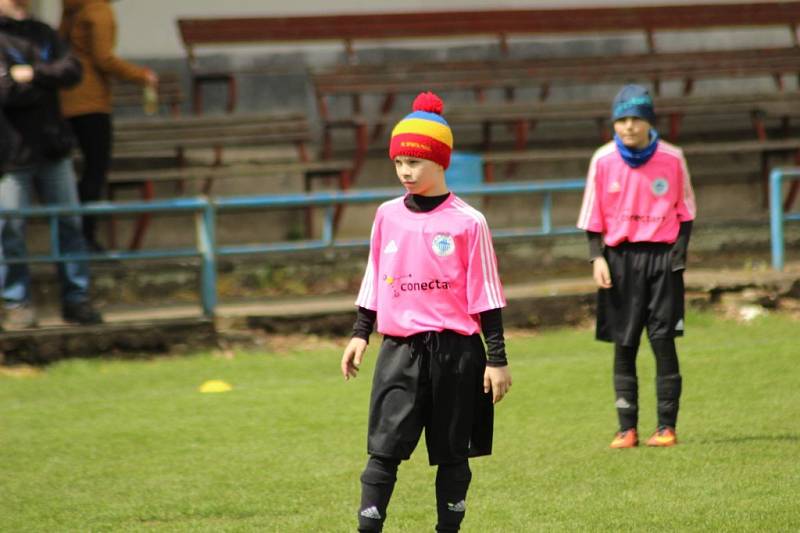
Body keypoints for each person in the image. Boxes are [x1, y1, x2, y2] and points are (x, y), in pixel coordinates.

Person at [340, 92, 513, 532]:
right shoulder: (386, 216)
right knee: (383, 450)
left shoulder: (469, 222)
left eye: (414, 163)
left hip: (457, 355)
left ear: (440, 162)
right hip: (399, 351)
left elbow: (487, 294)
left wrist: (496, 359)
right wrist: (361, 332)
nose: (405, 172)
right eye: (399, 163)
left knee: (453, 454)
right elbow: (375, 275)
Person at [577, 84, 696, 449]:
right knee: (624, 344)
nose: (628, 127)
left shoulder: (673, 158)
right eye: (621, 120)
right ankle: (626, 428)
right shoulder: (603, 159)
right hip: (620, 260)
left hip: (662, 259)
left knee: (663, 342)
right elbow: (592, 215)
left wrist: (678, 257)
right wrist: (597, 257)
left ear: (649, 121)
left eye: (635, 119)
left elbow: (686, 210)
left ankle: (666, 427)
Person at [0, 0, 103, 328]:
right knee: (10, 229)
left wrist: (32, 75)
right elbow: (6, 92)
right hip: (12, 154)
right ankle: (17, 304)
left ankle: (77, 299)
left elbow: (72, 71)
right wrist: (45, 82)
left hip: (53, 149)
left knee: (70, 224)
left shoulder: (42, 33)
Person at [59, 0, 158, 252]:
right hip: (91, 101)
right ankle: (84, 237)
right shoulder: (98, 10)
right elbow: (104, 58)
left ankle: (71, 236)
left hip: (65, 99)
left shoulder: (72, 8)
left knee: (67, 171)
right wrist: (141, 76)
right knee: (95, 170)